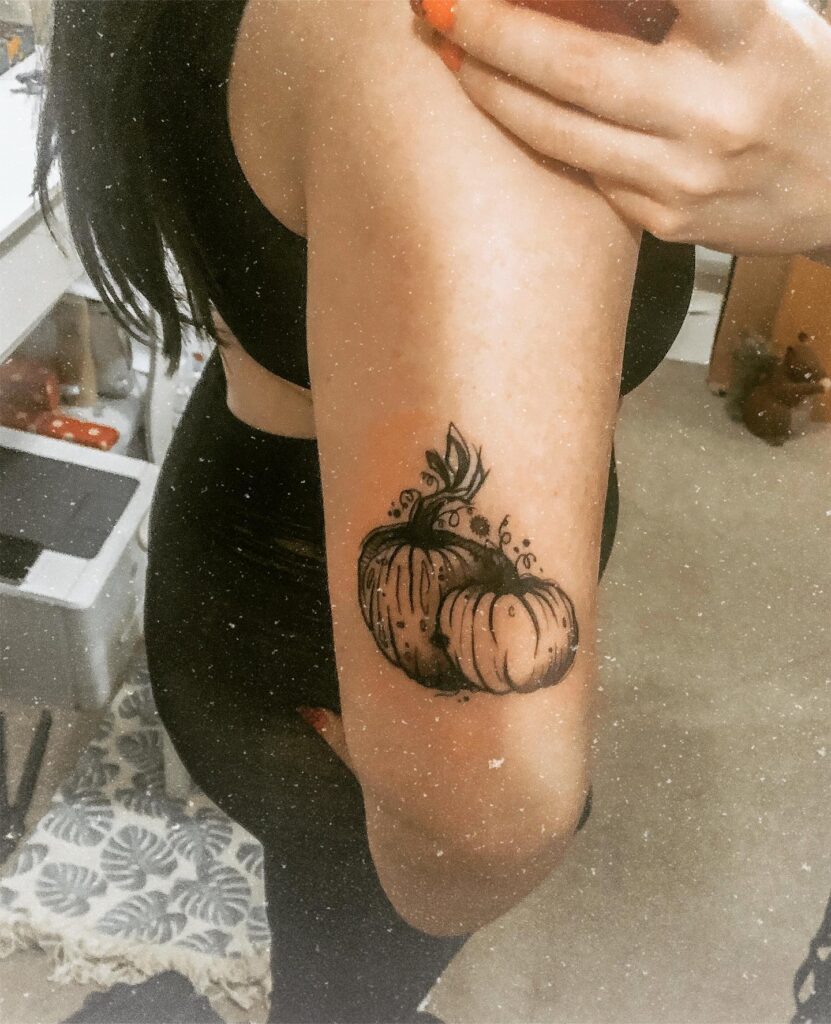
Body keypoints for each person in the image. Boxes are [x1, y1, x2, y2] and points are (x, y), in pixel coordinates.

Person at [35, 2, 700, 1021]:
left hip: (248, 538)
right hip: (318, 660)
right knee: (347, 977)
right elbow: (493, 821)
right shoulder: (476, 48)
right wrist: (447, 854)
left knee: (323, 916)